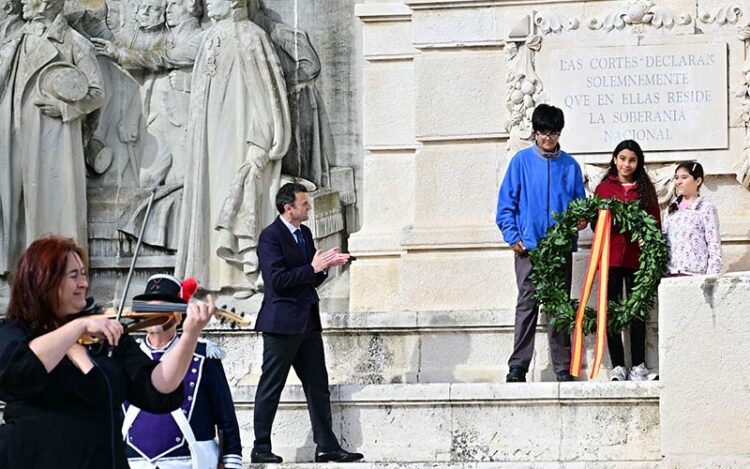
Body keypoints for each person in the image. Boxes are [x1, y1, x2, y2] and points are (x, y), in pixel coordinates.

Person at [0, 236, 214, 468]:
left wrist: (190, 336)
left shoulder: (106, 336)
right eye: (74, 276)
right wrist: (77, 327)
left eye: (83, 274)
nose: (84, 283)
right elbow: (20, 370)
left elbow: (157, 386)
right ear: (44, 281)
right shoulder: (15, 333)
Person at [174, 0, 291, 298]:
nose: (208, 3)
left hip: (241, 135)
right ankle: (207, 275)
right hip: (211, 139)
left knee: (235, 193)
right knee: (210, 195)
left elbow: (266, 96)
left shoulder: (251, 35)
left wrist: (260, 140)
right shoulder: (213, 36)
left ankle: (241, 276)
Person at [252, 183, 363, 463]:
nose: (309, 207)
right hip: (281, 324)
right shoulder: (271, 237)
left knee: (318, 385)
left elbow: (309, 279)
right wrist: (311, 268)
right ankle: (261, 446)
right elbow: (276, 281)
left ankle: (326, 445)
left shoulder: (304, 233)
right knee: (271, 385)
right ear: (288, 208)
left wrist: (324, 268)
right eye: (304, 203)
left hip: (308, 322)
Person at [0, 0, 104, 275]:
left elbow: (97, 93)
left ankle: (55, 278)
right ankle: (13, 276)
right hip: (12, 133)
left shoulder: (73, 41)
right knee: (14, 207)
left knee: (48, 212)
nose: (22, 2)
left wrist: (66, 108)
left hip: (51, 138)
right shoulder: (17, 40)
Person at [496, 104, 586, 383]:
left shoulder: (570, 166)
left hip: (559, 251)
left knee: (559, 307)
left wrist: (581, 220)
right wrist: (513, 237)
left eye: (554, 133)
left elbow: (579, 205)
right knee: (527, 305)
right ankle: (518, 366)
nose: (549, 138)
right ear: (535, 133)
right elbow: (505, 205)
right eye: (544, 132)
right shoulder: (521, 162)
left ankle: (563, 366)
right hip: (529, 249)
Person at [124, 274, 242, 469]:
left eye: (164, 307)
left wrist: (231, 464)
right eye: (150, 307)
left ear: (180, 315)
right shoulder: (126, 355)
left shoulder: (204, 356)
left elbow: (226, 419)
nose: (156, 313)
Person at [593, 140, 661, 382]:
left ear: (638, 162)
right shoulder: (603, 190)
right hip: (610, 259)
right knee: (611, 312)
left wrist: (647, 240)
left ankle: (638, 365)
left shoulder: (645, 190)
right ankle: (618, 365)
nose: (626, 164)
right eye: (622, 158)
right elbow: (594, 223)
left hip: (636, 261)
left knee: (637, 313)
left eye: (632, 160)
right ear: (614, 159)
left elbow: (655, 224)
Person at [663, 161, 722, 276]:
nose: (678, 182)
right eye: (676, 178)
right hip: (670, 274)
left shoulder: (705, 208)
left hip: (695, 276)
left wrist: (711, 279)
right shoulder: (671, 208)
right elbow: (664, 240)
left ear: (698, 181)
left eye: (684, 177)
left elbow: (714, 245)